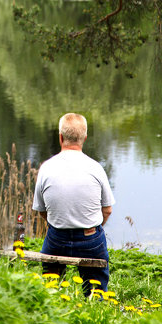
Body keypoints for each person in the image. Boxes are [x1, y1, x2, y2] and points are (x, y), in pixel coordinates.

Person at [32, 112, 115, 296]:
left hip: (57, 238)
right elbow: (107, 210)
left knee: (50, 283)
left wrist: (61, 225)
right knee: (96, 288)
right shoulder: (96, 168)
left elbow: (41, 210)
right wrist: (90, 229)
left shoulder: (46, 168)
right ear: (84, 138)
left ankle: (52, 297)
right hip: (90, 240)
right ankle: (96, 299)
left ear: (60, 137)